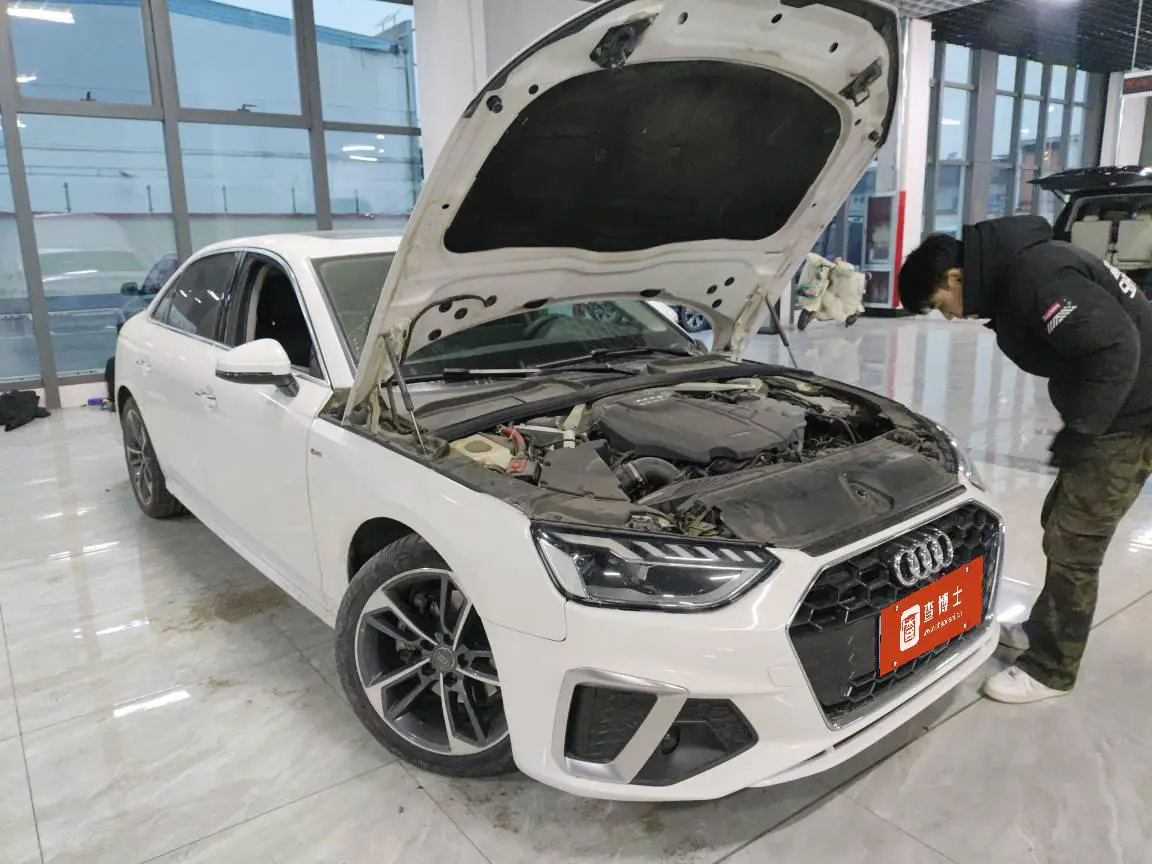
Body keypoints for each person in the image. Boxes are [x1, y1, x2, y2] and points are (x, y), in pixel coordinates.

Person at [898, 215, 1152, 704]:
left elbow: (1115, 346)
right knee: (1059, 521)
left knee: (1075, 541)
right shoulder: (1025, 269)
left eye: (941, 304)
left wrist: (1083, 428)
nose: (949, 316)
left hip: (1131, 415)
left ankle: (1052, 668)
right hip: (1125, 406)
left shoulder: (1035, 277)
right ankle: (1045, 628)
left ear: (955, 276)